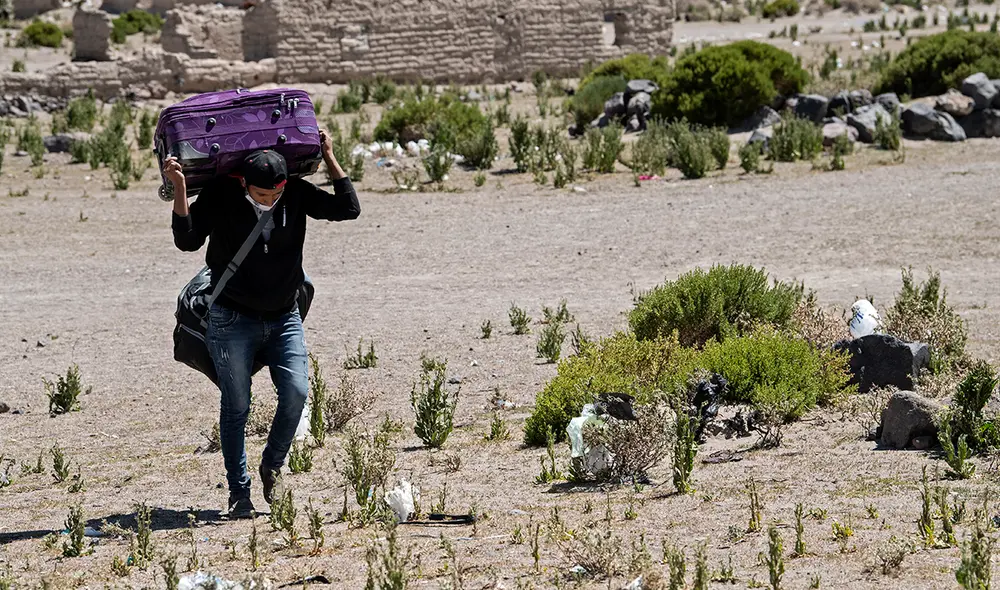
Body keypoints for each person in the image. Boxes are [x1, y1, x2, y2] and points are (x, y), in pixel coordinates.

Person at [164, 132, 360, 517]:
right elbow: (187, 240)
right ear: (243, 183)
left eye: (275, 194)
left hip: (284, 317)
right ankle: (239, 492)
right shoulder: (221, 194)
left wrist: (330, 156)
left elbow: (347, 208)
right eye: (261, 194)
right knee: (237, 405)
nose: (269, 200)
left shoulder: (296, 194)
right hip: (231, 320)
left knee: (297, 393)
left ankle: (272, 465)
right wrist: (180, 188)